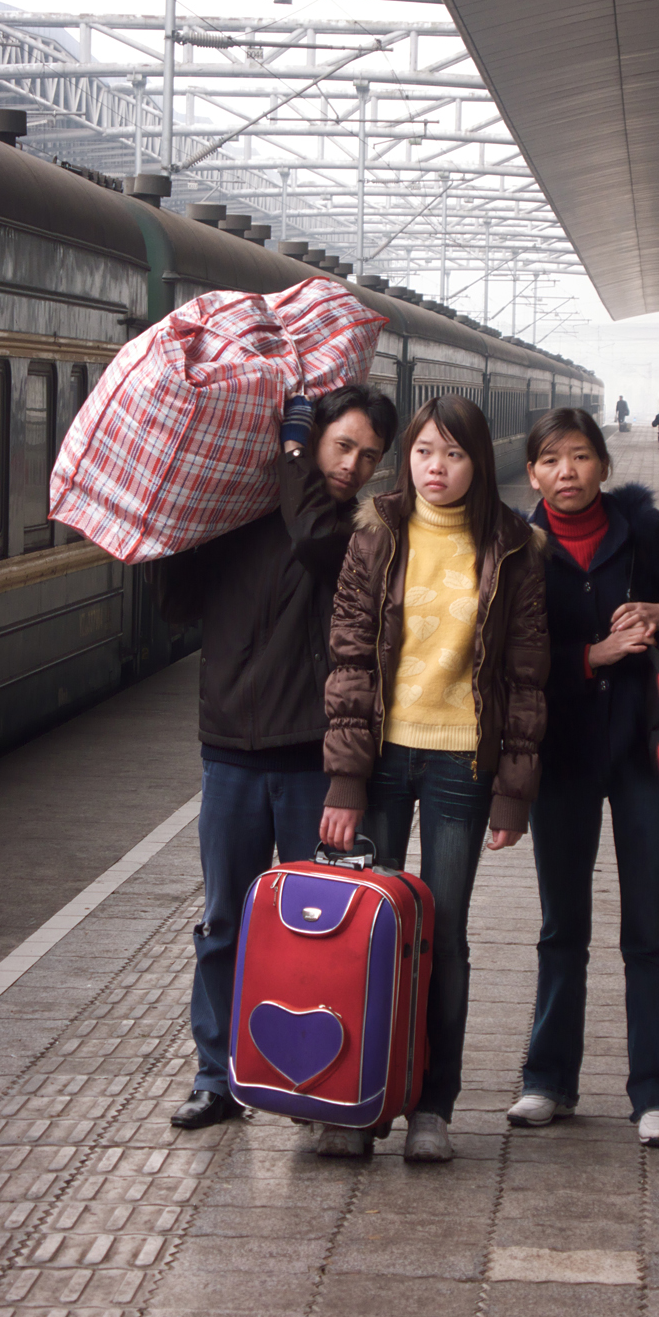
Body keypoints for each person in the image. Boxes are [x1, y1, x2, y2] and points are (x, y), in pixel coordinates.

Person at [150, 383, 398, 1130]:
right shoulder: (236, 514)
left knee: (318, 934)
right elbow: (175, 609)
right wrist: (176, 528)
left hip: (310, 761)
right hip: (228, 751)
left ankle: (315, 1085)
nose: (354, 465)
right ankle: (214, 1076)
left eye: (370, 456)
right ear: (315, 438)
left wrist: (294, 462)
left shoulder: (356, 531)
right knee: (224, 922)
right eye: (342, 445)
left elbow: (314, 540)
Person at [319, 395, 549, 1162]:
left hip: (462, 763)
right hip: (381, 761)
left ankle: (431, 1108)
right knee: (367, 940)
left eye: (452, 454)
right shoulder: (375, 534)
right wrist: (345, 781)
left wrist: (514, 788)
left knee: (442, 938)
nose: (436, 468)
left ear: (477, 461)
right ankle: (357, 1105)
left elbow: (525, 675)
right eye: (423, 452)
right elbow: (350, 657)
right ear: (405, 458)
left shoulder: (515, 546)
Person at [507, 409, 659, 1147]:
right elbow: (506, 651)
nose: (566, 472)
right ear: (534, 472)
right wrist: (591, 657)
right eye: (550, 460)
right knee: (561, 926)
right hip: (564, 753)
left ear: (604, 465)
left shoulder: (642, 529)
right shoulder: (518, 545)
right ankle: (547, 1081)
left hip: (647, 751)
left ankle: (657, 1095)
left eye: (579, 457)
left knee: (647, 924)